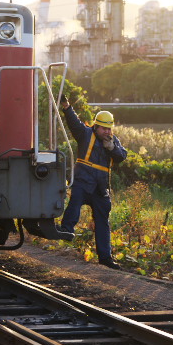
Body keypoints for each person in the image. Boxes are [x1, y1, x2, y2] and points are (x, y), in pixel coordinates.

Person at [56, 95, 127, 269]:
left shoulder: (113, 141)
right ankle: (66, 229)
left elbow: (122, 156)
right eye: (104, 129)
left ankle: (105, 257)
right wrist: (66, 107)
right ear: (96, 126)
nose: (108, 132)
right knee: (75, 202)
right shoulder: (85, 133)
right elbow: (74, 122)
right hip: (83, 179)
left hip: (101, 187)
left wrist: (112, 148)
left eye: (110, 129)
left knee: (103, 221)